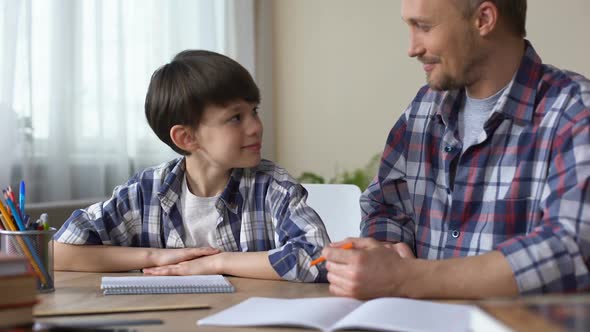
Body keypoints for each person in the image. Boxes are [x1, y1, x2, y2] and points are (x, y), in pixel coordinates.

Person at [322, 0, 590, 299]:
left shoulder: (574, 110)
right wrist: (386, 251)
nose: (412, 48)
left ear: (484, 18)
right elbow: (387, 207)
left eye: (423, 27)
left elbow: (571, 247)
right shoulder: (423, 108)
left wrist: (406, 278)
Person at [53, 50, 330, 282]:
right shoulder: (144, 192)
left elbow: (318, 257)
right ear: (187, 138)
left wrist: (218, 263)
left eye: (254, 111)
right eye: (236, 118)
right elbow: (58, 251)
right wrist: (156, 256)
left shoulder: (273, 187)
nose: (256, 127)